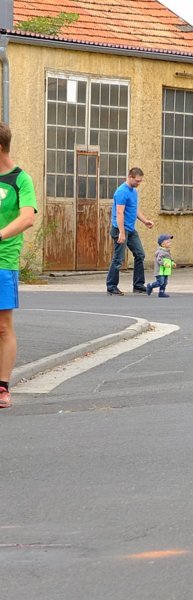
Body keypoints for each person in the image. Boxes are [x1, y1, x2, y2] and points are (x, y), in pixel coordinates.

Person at [0, 122, 38, 409]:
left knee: (2, 327)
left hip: (3, 261)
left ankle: (2, 387)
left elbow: (27, 218)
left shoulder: (20, 179)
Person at [106, 167, 153, 296]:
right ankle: (111, 286)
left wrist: (145, 221)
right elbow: (120, 213)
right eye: (137, 181)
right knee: (118, 258)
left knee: (140, 254)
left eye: (140, 181)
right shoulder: (121, 192)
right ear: (130, 177)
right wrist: (121, 232)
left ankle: (138, 285)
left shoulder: (133, 192)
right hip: (120, 229)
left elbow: (135, 209)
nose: (139, 183)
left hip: (131, 230)